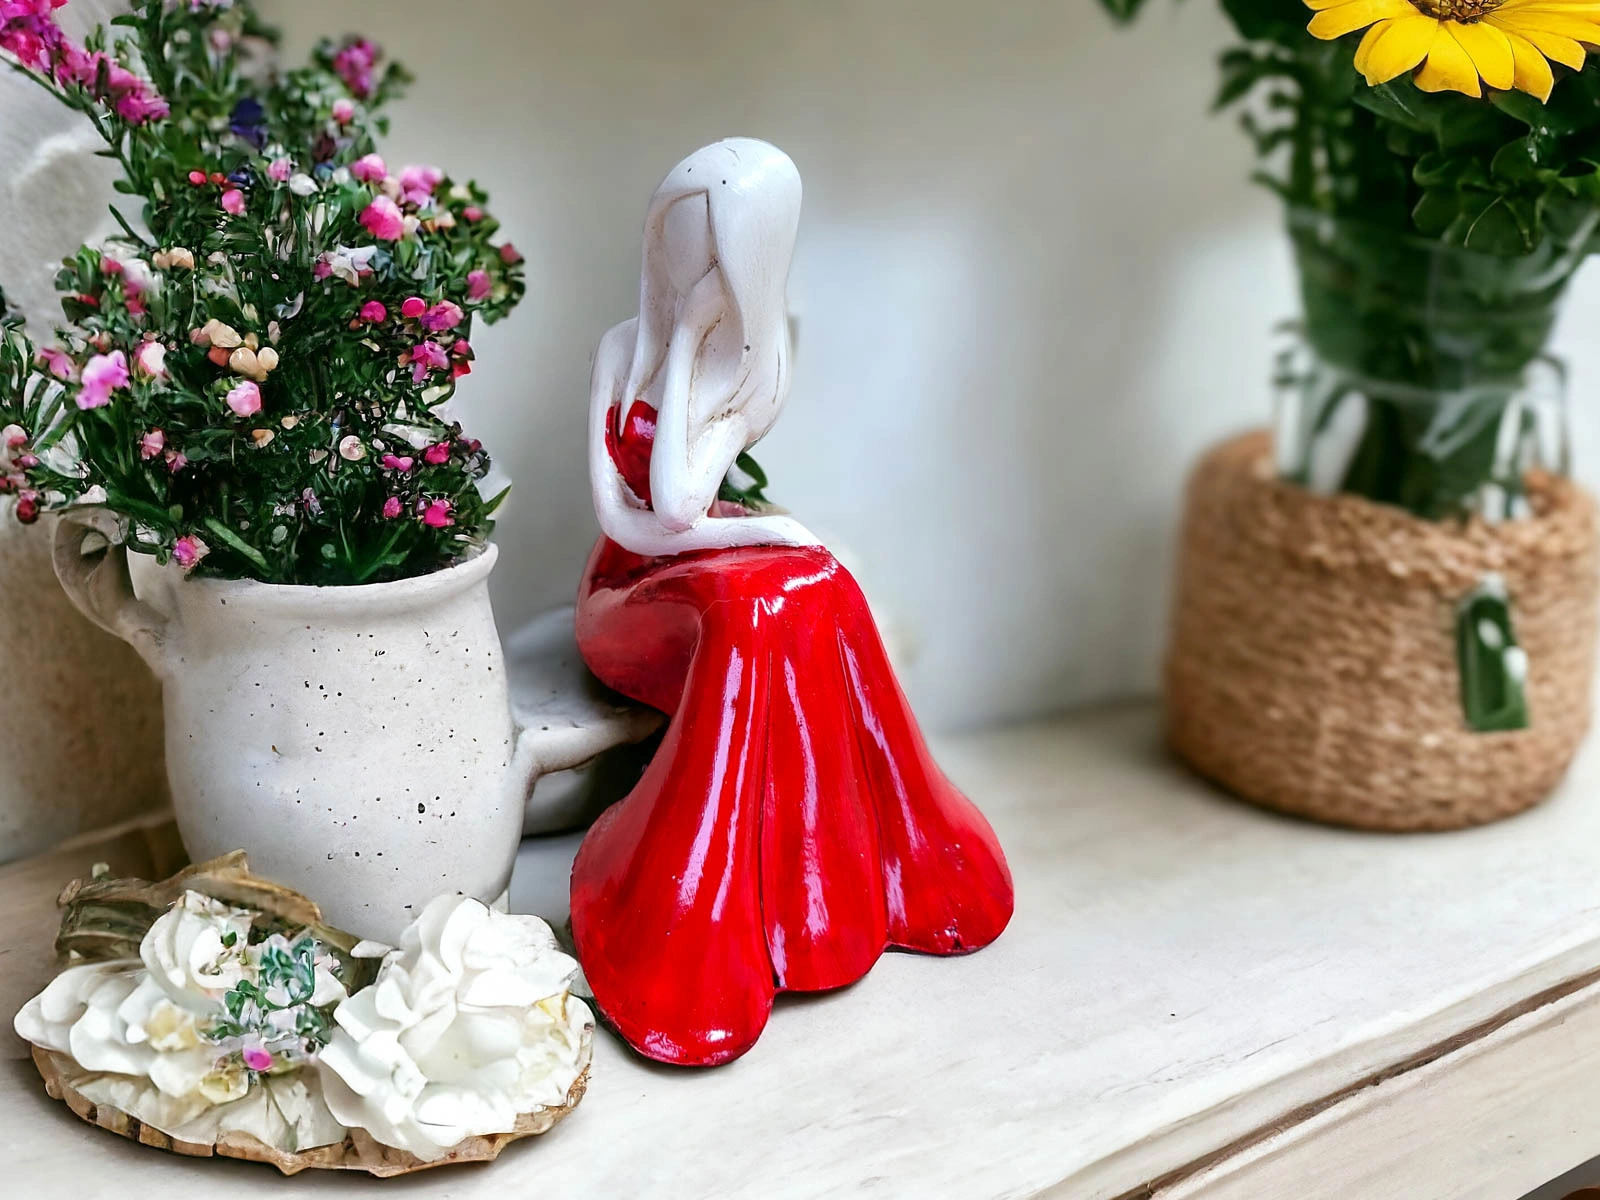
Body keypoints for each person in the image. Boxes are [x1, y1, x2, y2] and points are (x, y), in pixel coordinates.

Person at [572, 138, 1014, 1067]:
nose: (693, 258)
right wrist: (684, 352)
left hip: (710, 553)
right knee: (761, 598)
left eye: (717, 243)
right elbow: (653, 515)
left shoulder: (754, 366)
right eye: (682, 230)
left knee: (817, 585)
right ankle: (689, 906)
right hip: (631, 585)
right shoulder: (623, 348)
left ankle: (840, 883)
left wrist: (754, 526)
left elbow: (693, 505)